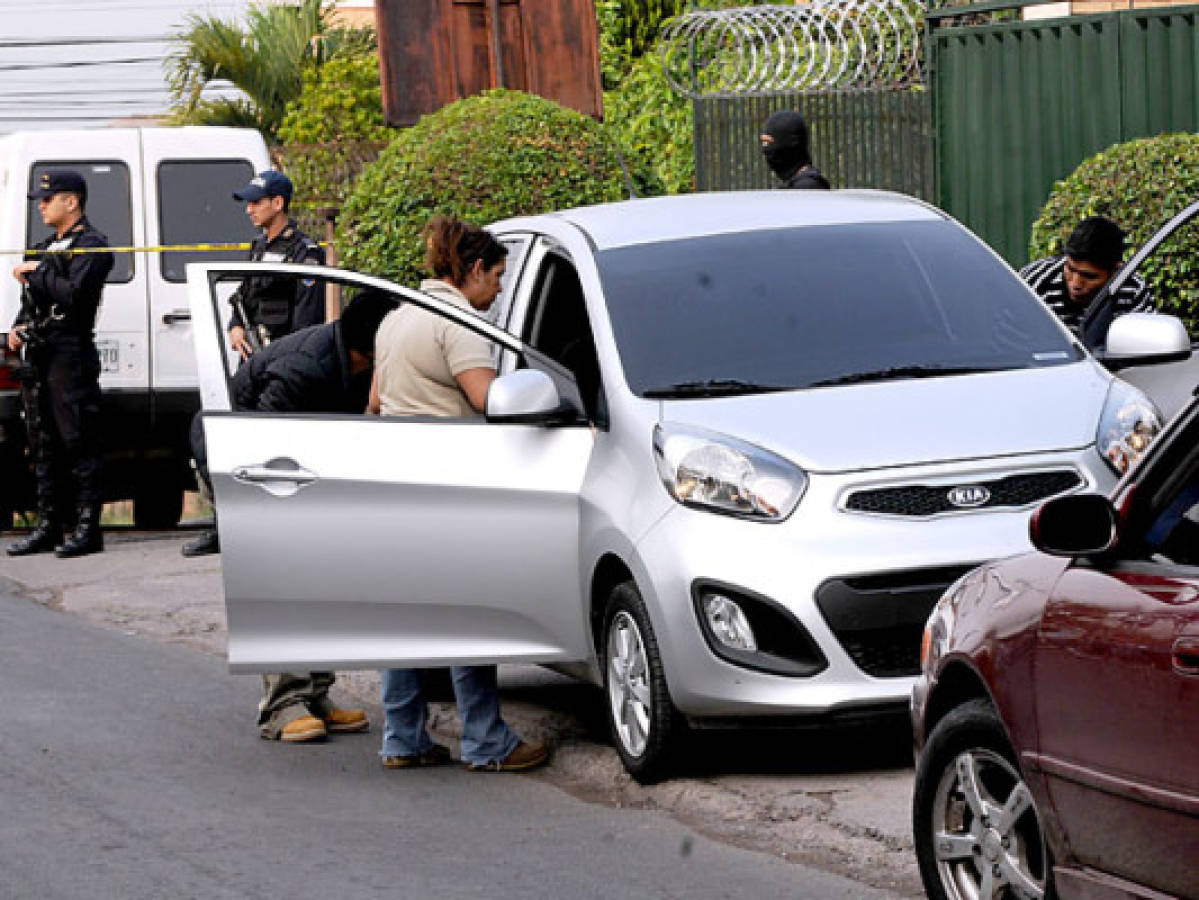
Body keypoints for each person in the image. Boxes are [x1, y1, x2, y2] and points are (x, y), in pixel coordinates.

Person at [370, 215, 549, 773]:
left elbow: (375, 402)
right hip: (445, 483)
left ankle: (402, 738)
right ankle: (485, 740)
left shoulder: (395, 319)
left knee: (406, 619)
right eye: (495, 276)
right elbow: (485, 399)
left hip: (394, 484)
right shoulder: (457, 320)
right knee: (470, 613)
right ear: (472, 271)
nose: (496, 291)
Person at [192, 289, 398, 742]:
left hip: (301, 466)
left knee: (323, 577)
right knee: (281, 578)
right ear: (377, 344)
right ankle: (282, 705)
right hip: (248, 463)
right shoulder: (304, 367)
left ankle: (315, 692)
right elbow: (263, 446)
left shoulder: (361, 361)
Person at [182, 169, 325, 557]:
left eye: (256, 202)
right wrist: (234, 327)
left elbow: (306, 322)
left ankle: (266, 532)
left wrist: (279, 364)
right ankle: (223, 522)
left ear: (278, 204)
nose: (249, 209)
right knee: (212, 432)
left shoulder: (305, 253)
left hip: (284, 372)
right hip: (253, 362)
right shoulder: (259, 248)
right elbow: (243, 297)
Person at [7, 170, 114, 559]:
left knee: (79, 439)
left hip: (71, 352)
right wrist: (18, 327)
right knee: (44, 442)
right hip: (41, 353)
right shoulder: (44, 247)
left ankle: (88, 528)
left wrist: (39, 272)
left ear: (71, 201)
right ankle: (49, 525)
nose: (41, 205)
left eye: (48, 199)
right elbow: (31, 303)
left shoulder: (93, 246)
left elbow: (76, 296)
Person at [1020, 215, 1152, 331]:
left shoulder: (1133, 290)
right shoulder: (1033, 282)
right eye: (1070, 269)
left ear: (1115, 272)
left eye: (1089, 276)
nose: (1076, 284)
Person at [760, 110, 831, 190]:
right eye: (763, 142)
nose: (765, 149)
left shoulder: (807, 188)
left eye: (769, 142)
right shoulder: (795, 186)